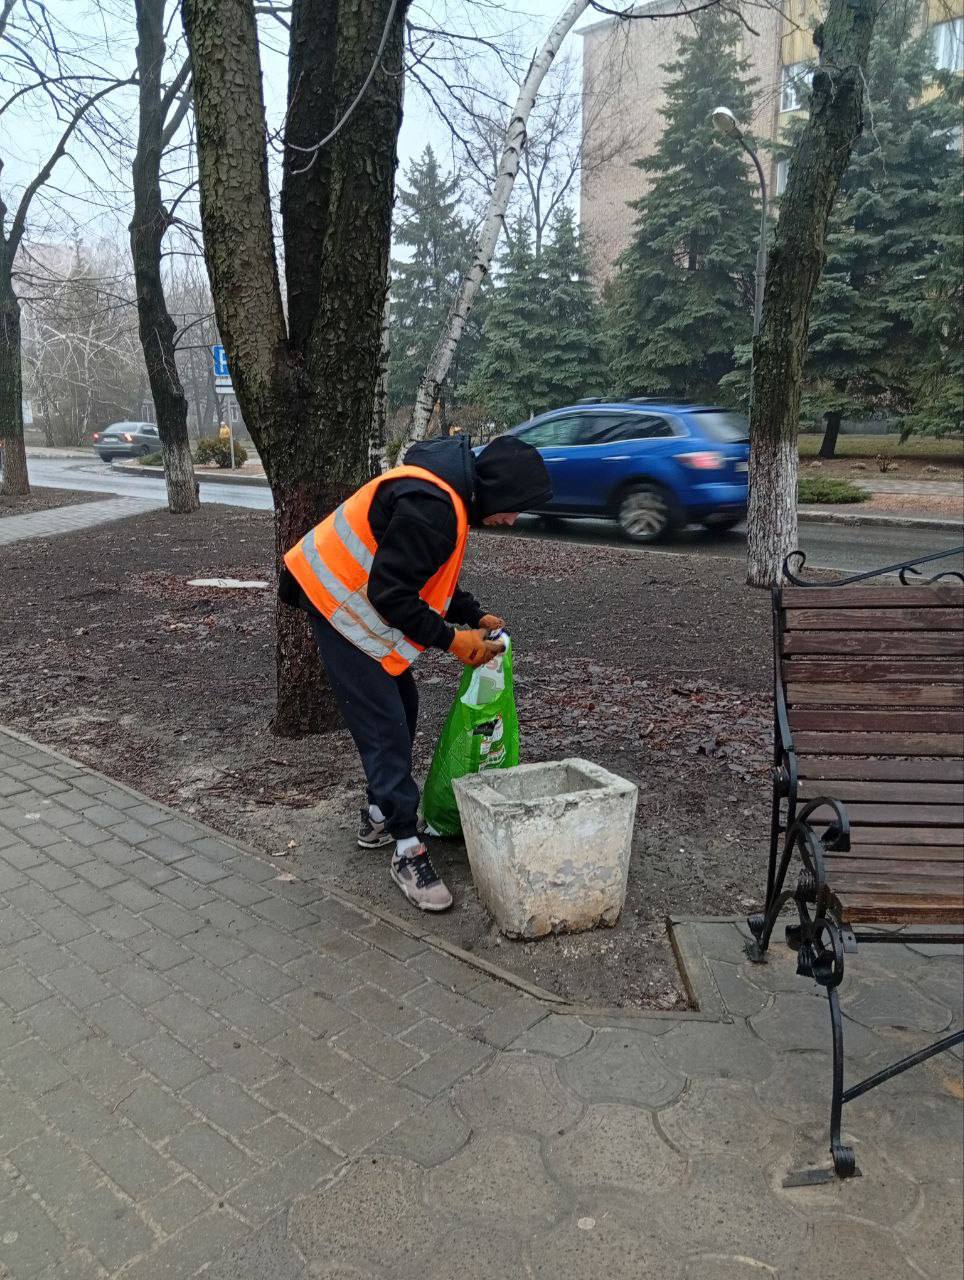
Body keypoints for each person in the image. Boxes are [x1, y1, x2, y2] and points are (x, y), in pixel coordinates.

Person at [279, 433, 552, 913]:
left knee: (403, 705)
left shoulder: (448, 498)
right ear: (499, 491)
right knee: (384, 725)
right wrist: (452, 640)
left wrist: (471, 612)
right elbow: (391, 594)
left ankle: (378, 814)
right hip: (332, 598)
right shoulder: (434, 507)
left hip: (350, 597)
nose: (513, 520)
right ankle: (406, 847)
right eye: (515, 508)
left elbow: (423, 571)